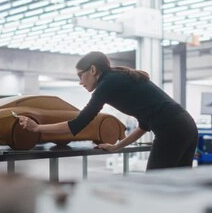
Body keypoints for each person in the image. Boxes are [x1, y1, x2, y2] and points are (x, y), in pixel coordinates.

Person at [17, 51, 198, 170]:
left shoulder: (107, 83)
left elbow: (78, 123)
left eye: (81, 75)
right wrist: (116, 146)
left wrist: (37, 128)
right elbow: (144, 125)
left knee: (154, 187)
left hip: (172, 130)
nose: (80, 82)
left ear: (93, 69)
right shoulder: (118, 79)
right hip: (187, 126)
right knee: (178, 186)